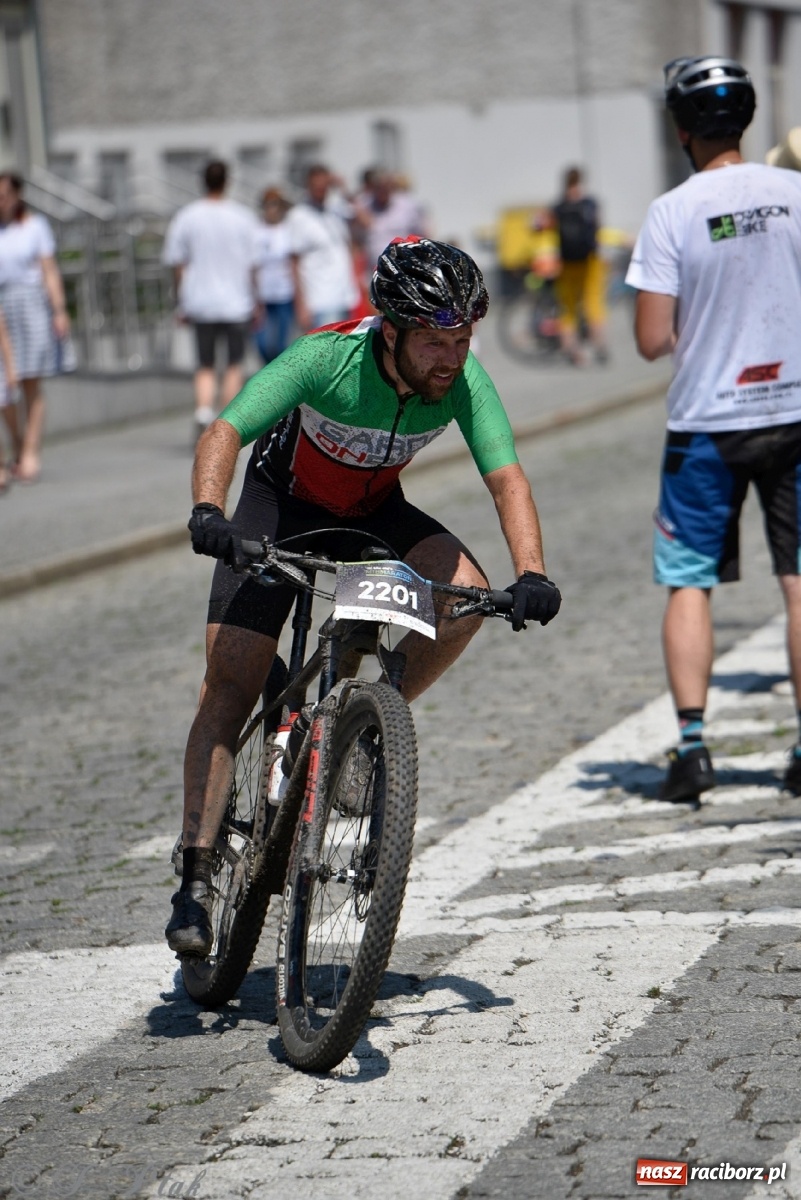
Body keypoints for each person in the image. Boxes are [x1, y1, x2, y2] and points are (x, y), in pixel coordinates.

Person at [165, 236, 562, 955]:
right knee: (231, 682)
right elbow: (227, 428)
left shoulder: (464, 382)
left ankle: (361, 721)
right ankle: (194, 877)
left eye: (463, 338)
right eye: (436, 341)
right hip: (277, 508)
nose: (452, 357)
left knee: (466, 594)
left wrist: (530, 572)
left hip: (372, 516)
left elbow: (506, 479)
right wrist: (207, 512)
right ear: (392, 331)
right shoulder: (327, 359)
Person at [625, 56, 801, 803]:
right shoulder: (795, 192)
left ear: (680, 129)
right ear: (749, 120)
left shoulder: (671, 211)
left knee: (688, 584)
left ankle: (693, 750)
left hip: (707, 421)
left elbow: (649, 338)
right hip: (795, 409)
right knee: (798, 585)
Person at [162, 160, 261, 440]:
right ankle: (223, 420)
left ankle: (203, 410)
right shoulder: (243, 217)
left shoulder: (187, 217)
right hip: (236, 302)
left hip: (200, 302)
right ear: (227, 181)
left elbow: (178, 264)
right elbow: (254, 264)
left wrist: (181, 299)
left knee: (205, 363)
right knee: (233, 363)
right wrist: (257, 299)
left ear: (202, 181)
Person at [0, 172, 71, 483]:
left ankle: (29, 451)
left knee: (30, 380)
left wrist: (58, 310)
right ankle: (16, 442)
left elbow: (49, 270)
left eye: (5, 194)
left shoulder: (34, 226)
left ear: (17, 195)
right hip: (3, 305)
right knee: (5, 383)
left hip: (31, 304)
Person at [285, 163, 360, 333]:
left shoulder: (337, 208)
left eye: (324, 185)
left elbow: (365, 221)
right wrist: (301, 305)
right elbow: (293, 263)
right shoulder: (298, 216)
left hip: (344, 296)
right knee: (326, 356)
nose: (321, 190)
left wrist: (343, 188)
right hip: (318, 300)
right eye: (316, 186)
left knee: (344, 354)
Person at [552, 166, 608, 365]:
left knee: (568, 308)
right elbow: (598, 227)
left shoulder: (558, 207)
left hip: (566, 263)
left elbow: (541, 226)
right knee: (593, 302)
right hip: (589, 262)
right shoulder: (589, 203)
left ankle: (573, 352)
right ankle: (600, 347)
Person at [253, 187, 295, 365]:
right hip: (263, 294)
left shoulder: (288, 230)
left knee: (280, 343)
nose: (272, 209)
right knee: (261, 343)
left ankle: (276, 376)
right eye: (268, 205)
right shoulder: (256, 231)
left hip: (284, 293)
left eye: (275, 205)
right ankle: (269, 368)